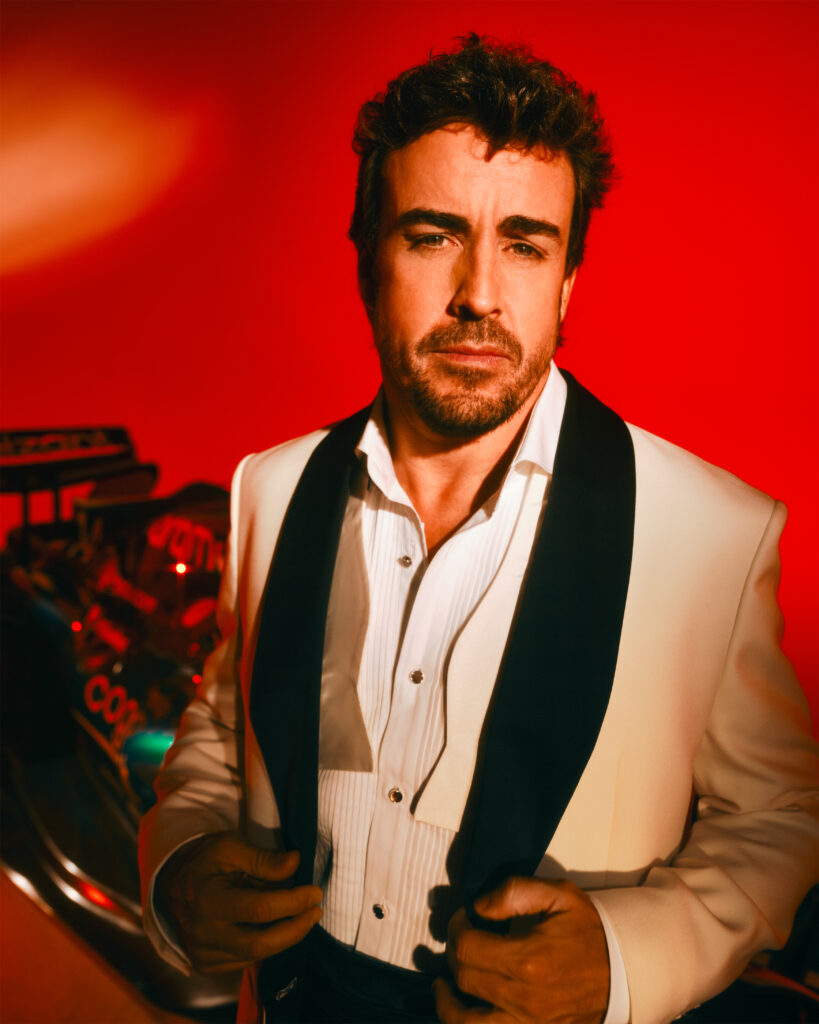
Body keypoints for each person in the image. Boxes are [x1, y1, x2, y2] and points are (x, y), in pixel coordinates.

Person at [139, 35, 818, 1024]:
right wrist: (181, 861)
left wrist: (623, 961)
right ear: (368, 259)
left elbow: (781, 817)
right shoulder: (269, 487)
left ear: (568, 279)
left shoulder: (711, 533)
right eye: (432, 235)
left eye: (526, 245)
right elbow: (218, 727)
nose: (480, 295)